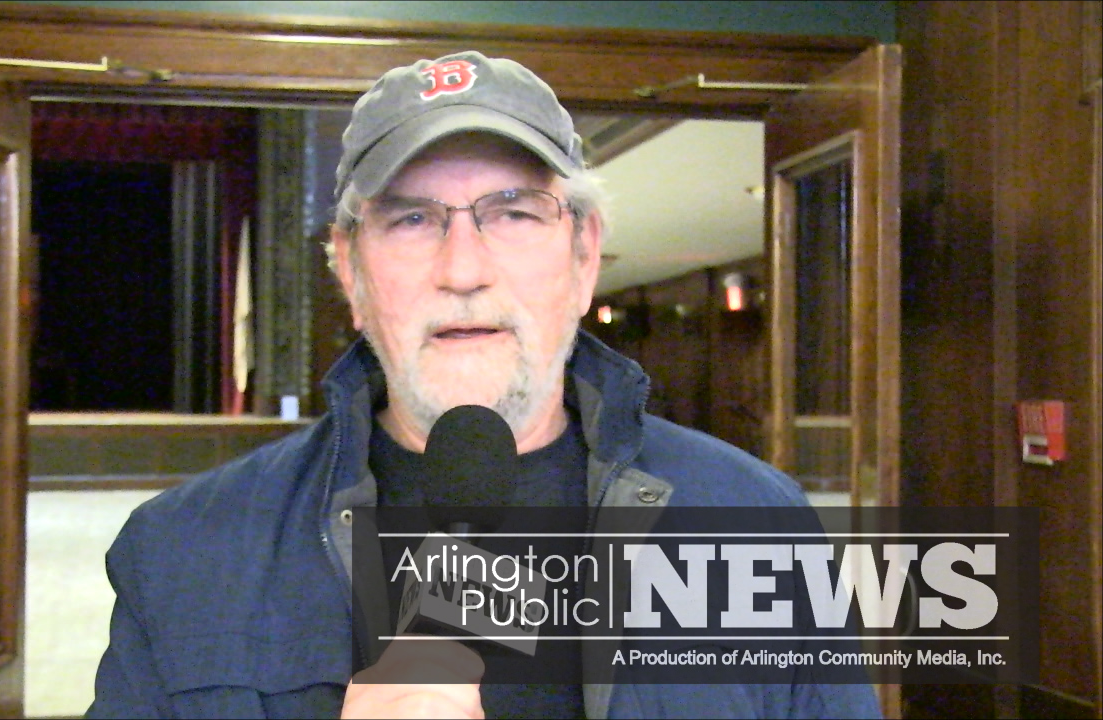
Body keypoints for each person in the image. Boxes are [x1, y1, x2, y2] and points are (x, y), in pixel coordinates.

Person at [86, 50, 882, 719]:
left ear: (584, 255)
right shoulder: (181, 550)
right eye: (411, 219)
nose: (463, 269)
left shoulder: (759, 520)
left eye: (513, 213)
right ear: (350, 270)